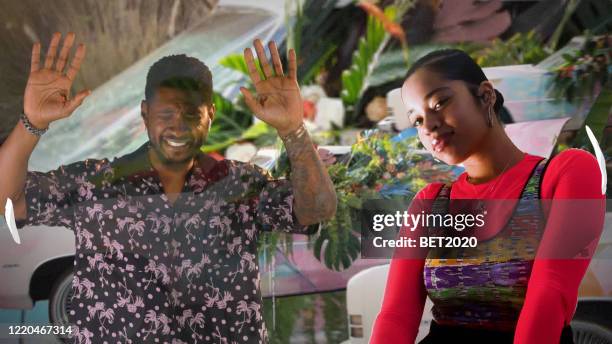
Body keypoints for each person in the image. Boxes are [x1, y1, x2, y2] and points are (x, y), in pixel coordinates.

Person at [0, 32, 337, 343]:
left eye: (192, 113)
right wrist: (33, 123)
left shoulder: (242, 183)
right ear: (145, 114)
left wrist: (293, 130)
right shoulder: (95, 183)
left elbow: (318, 208)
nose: (179, 124)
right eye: (166, 112)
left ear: (211, 116)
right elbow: (7, 199)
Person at [370, 49, 605, 343]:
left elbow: (550, 292)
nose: (428, 126)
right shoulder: (430, 203)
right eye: (417, 120)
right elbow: (396, 314)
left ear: (485, 96)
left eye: (439, 103)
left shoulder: (565, 174)